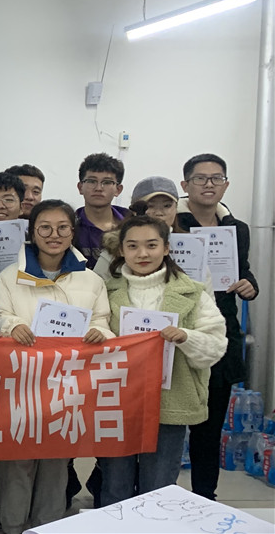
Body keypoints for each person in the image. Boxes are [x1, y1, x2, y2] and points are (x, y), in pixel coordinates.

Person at [0, 199, 112, 534]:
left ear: (73, 232)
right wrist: (12, 325)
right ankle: (13, 526)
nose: (53, 235)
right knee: (17, 461)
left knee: (57, 462)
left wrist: (99, 332)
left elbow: (103, 320)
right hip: (20, 384)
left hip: (67, 386)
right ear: (32, 232)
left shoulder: (90, 280)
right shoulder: (9, 277)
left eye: (62, 228)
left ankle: (48, 526)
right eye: (45, 227)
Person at [98, 215, 226, 505]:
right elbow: (94, 330)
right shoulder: (105, 290)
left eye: (152, 245)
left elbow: (217, 345)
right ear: (121, 250)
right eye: (133, 246)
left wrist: (186, 337)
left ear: (166, 248)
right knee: (114, 487)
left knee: (159, 488)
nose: (142, 253)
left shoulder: (192, 291)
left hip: (170, 400)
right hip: (117, 401)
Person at [175, 154, 260, 500]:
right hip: (177, 331)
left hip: (219, 332)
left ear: (225, 184)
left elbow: (242, 269)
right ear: (186, 185)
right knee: (166, 428)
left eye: (216, 178)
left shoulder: (237, 228)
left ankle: (204, 497)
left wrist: (250, 284)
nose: (209, 184)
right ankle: (153, 495)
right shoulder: (170, 221)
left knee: (209, 427)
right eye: (200, 178)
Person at [92, 176, 186, 281]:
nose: (159, 213)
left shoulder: (192, 245)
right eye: (150, 206)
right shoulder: (114, 248)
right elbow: (96, 286)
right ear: (135, 210)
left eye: (167, 205)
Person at [74, 153, 129, 269]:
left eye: (107, 182)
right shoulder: (70, 226)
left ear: (118, 190)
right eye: (91, 181)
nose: (98, 188)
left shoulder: (131, 224)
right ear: (80, 187)